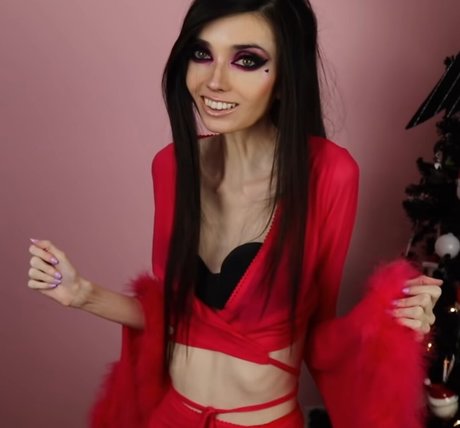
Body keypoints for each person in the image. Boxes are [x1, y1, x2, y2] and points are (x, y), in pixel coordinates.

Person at [27, 1, 443, 427]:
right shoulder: (172, 166)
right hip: (171, 416)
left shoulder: (329, 175)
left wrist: (390, 321)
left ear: (285, 78)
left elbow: (318, 340)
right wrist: (81, 293)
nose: (214, 81)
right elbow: (171, 316)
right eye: (201, 53)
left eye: (246, 60)